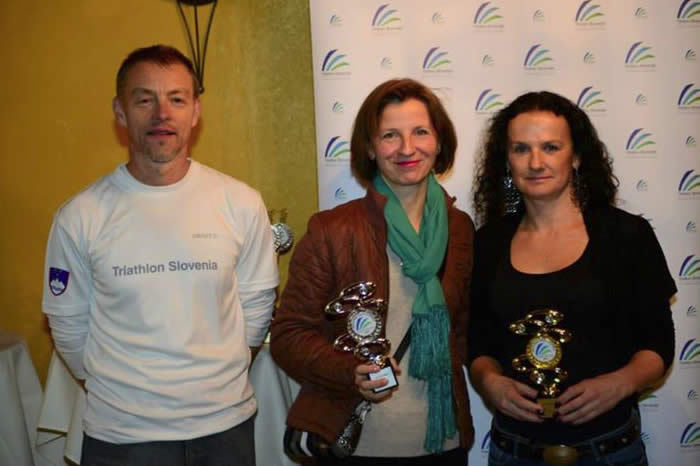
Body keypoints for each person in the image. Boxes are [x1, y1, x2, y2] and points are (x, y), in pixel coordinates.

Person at [42, 45, 279, 466]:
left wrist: (215, 383)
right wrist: (126, 396)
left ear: (195, 111)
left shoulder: (241, 203)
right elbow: (68, 325)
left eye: (177, 99)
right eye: (144, 99)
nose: (162, 114)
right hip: (122, 437)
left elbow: (256, 306)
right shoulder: (80, 215)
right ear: (120, 111)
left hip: (224, 430)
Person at [270, 78, 474, 465]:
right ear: (369, 147)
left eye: (420, 132)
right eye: (390, 135)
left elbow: (461, 330)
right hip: (360, 444)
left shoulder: (460, 228)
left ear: (439, 141)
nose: (407, 148)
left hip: (445, 442)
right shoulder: (333, 230)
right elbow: (288, 335)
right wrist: (350, 371)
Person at [469, 91, 676, 466]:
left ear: (576, 156)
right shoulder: (487, 243)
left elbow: (659, 344)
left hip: (610, 452)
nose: (536, 162)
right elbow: (477, 343)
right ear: (506, 160)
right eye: (520, 149)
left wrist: (621, 383)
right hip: (511, 452)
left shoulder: (627, 236)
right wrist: (489, 382)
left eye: (551, 147)